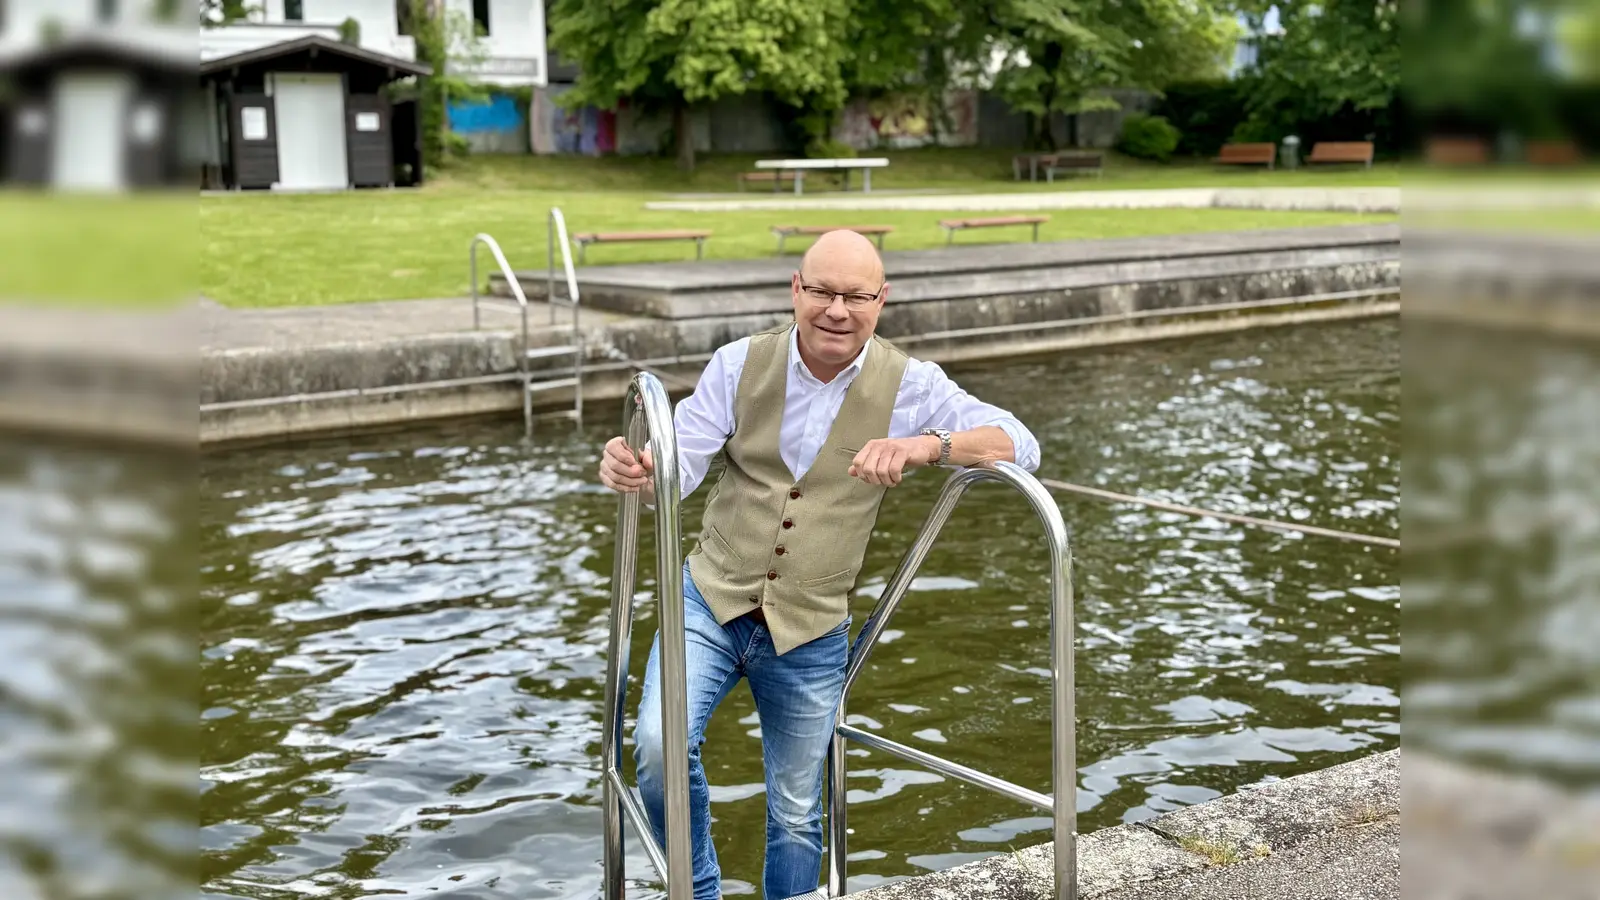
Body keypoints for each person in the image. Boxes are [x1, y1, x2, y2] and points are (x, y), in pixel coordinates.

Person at [596, 230, 1040, 900]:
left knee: (798, 814)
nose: (837, 309)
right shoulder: (737, 363)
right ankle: (700, 890)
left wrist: (928, 446)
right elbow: (680, 462)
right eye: (823, 291)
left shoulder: (912, 385)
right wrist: (641, 466)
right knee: (657, 749)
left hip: (811, 625)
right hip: (708, 599)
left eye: (855, 296)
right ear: (796, 291)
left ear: (880, 300)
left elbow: (1021, 443)